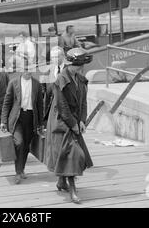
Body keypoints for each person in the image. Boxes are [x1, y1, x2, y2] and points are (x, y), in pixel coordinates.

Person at [45, 48, 93, 204]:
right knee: (72, 154)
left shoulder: (81, 80)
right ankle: (72, 190)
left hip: (73, 121)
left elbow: (84, 102)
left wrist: (82, 121)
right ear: (73, 64)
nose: (81, 68)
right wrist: (73, 125)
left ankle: (61, 182)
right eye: (79, 65)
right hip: (61, 122)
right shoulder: (61, 80)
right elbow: (62, 106)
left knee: (66, 154)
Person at [0, 54, 43, 184]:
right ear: (21, 69)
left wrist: (40, 124)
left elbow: (40, 105)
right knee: (19, 143)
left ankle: (22, 168)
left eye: (30, 69)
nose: (27, 71)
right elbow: (7, 103)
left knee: (26, 146)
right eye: (25, 69)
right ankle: (18, 172)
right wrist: (3, 121)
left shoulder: (37, 84)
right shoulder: (13, 83)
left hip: (31, 118)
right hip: (17, 118)